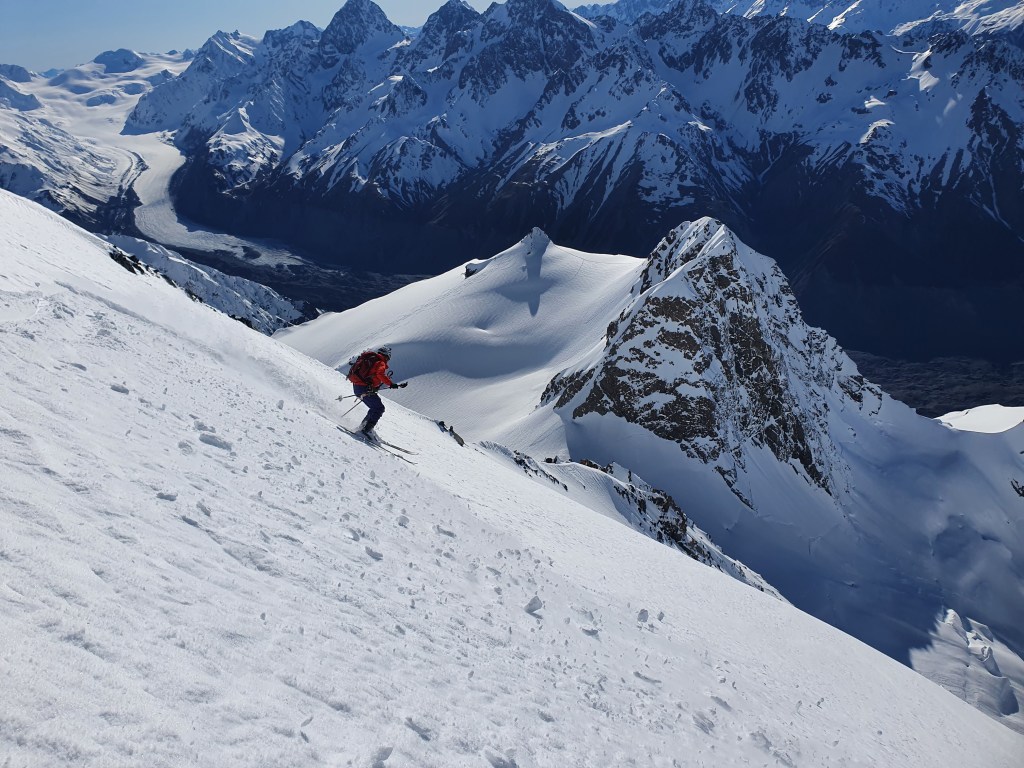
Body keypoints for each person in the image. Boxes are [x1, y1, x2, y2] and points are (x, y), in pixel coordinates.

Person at [347, 345, 408, 438]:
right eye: (388, 357)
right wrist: (391, 384)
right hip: (364, 388)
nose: (388, 360)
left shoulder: (371, 360)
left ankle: (364, 427)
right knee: (378, 408)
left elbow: (374, 377)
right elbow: (380, 374)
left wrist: (389, 384)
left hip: (358, 387)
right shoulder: (380, 362)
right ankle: (365, 430)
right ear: (387, 356)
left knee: (375, 408)